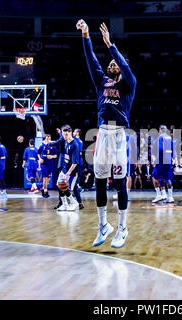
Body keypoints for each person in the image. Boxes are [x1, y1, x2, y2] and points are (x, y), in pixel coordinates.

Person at [77, 19, 136, 248]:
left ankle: (122, 226)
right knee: (100, 181)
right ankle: (103, 225)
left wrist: (110, 44)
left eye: (116, 62)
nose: (112, 63)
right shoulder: (102, 81)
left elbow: (126, 67)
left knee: (120, 182)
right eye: (110, 62)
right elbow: (91, 60)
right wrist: (85, 35)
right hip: (102, 133)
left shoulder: (129, 84)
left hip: (120, 135)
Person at [48, 125, 80, 211]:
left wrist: (68, 173)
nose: (65, 137)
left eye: (66, 135)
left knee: (67, 188)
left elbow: (75, 163)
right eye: (63, 134)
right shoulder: (65, 141)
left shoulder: (75, 145)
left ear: (71, 133)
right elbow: (57, 142)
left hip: (72, 171)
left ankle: (74, 202)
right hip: (65, 168)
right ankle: (65, 205)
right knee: (59, 185)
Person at [152, 125, 176, 203]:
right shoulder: (170, 138)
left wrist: (156, 161)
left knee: (154, 177)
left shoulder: (160, 138)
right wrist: (174, 160)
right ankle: (170, 197)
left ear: (160, 131)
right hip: (169, 160)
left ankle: (159, 195)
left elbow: (161, 150)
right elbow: (174, 150)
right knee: (167, 178)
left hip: (161, 161)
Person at [73, 128, 85, 209]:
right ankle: (77, 187)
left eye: (74, 132)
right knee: (76, 176)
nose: (73, 133)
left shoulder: (77, 141)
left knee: (75, 176)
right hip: (79, 161)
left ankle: (78, 188)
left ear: (77, 133)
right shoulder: (79, 140)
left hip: (78, 162)